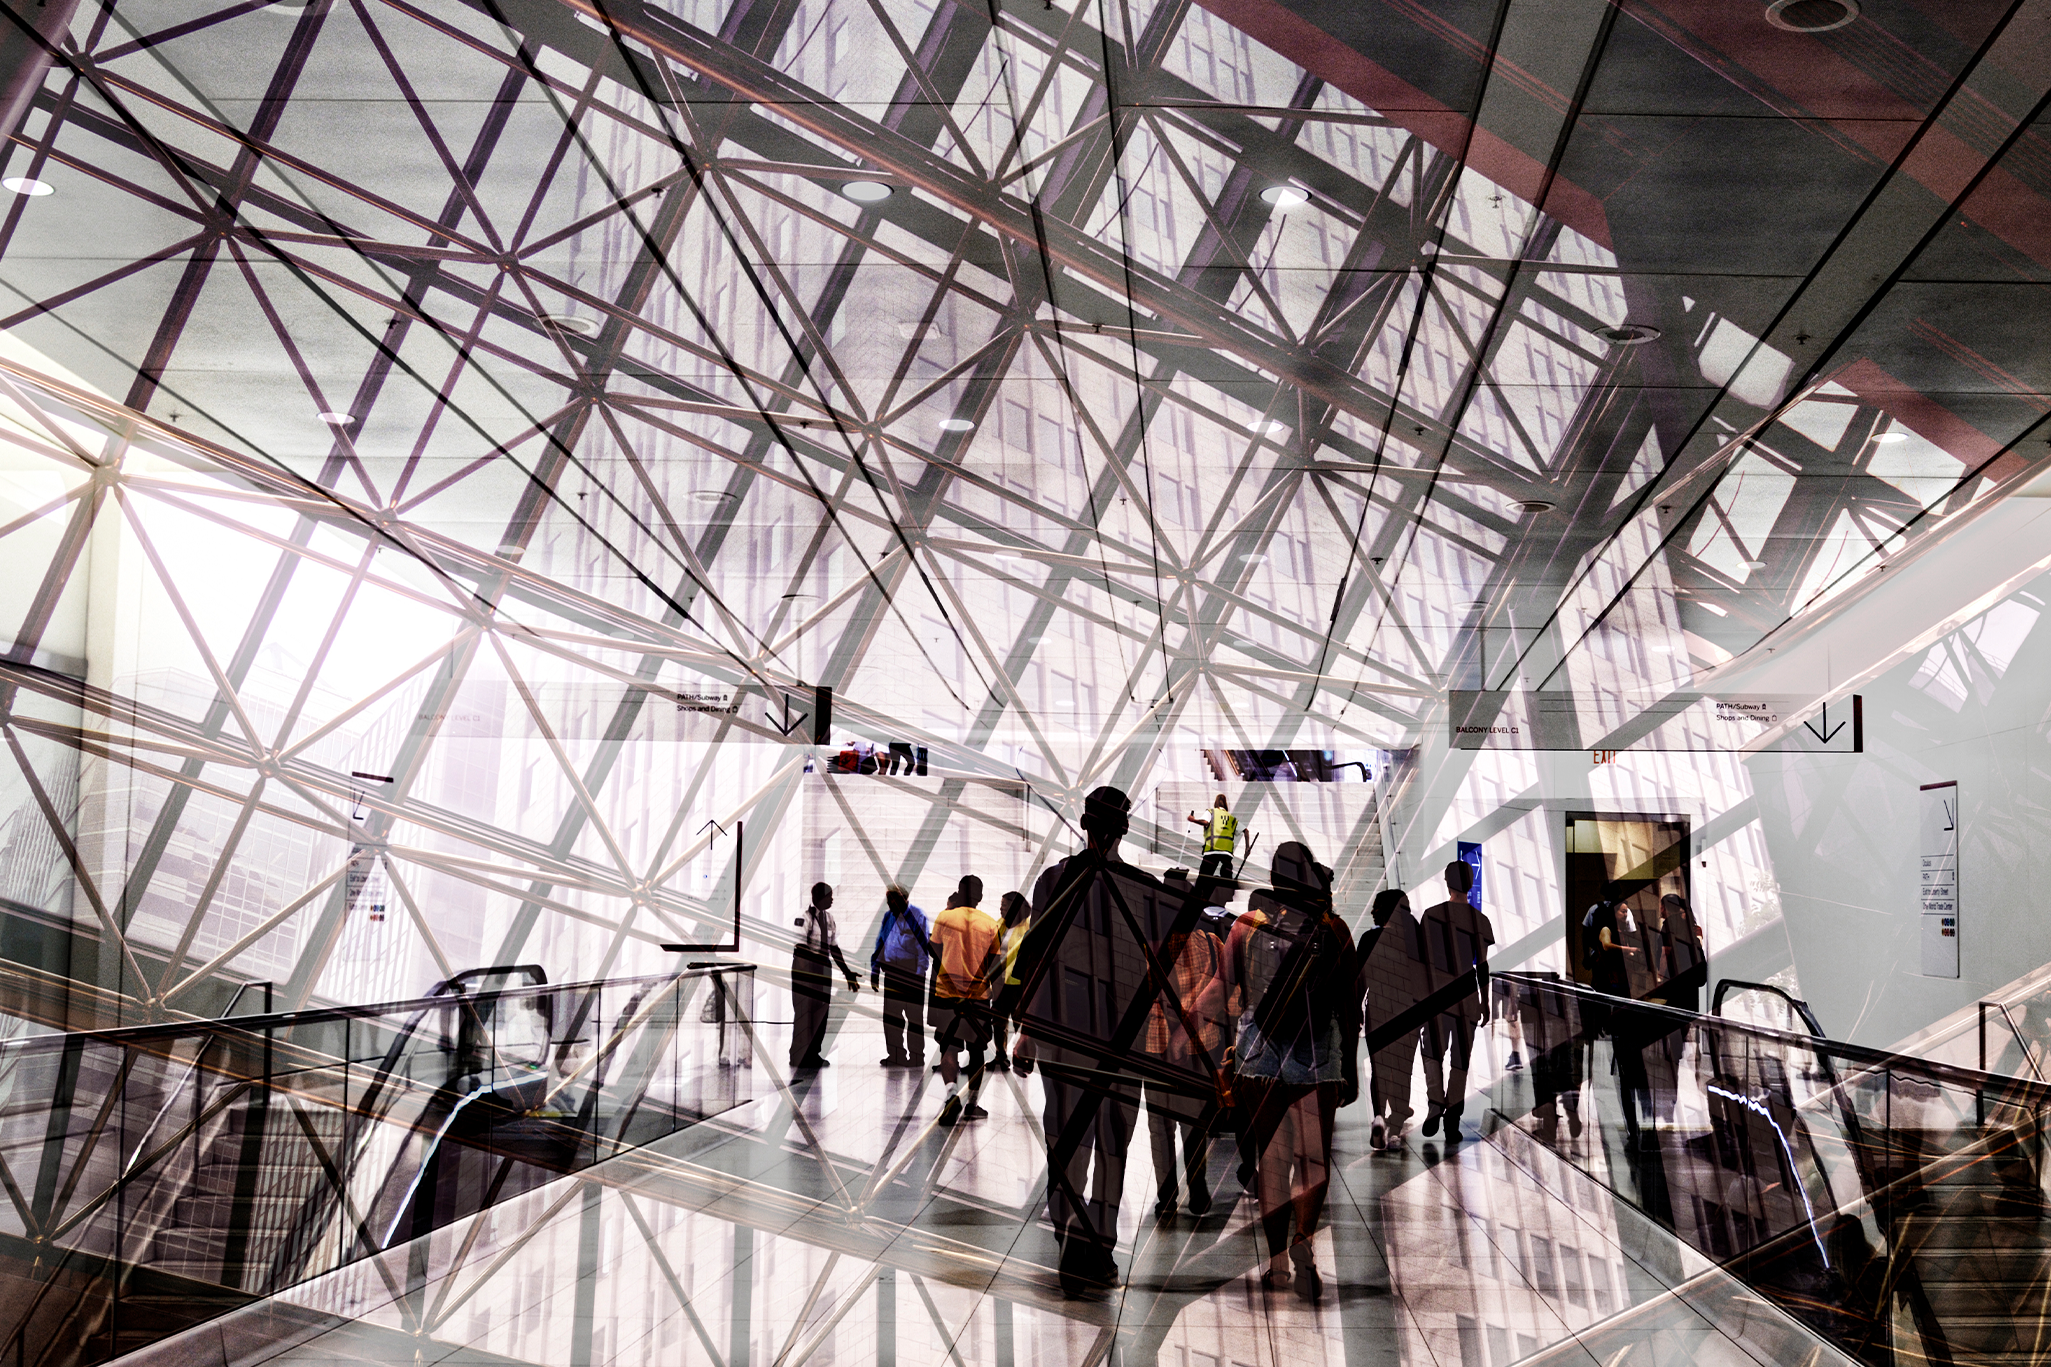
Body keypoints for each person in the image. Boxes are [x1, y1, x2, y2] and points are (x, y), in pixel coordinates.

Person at [999, 785, 1174, 1298]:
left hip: (1065, 1027)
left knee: (1067, 1133)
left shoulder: (1055, 879)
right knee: (1114, 1137)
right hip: (1123, 1032)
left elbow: (1036, 953)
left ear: (1083, 821)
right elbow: (1159, 965)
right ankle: (1099, 1242)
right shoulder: (1142, 888)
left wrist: (1027, 1029)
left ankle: (1071, 1237)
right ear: (1124, 828)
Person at [1225, 841, 1358, 1298]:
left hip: (1259, 1054)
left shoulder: (1248, 925)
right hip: (1318, 1054)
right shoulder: (1334, 928)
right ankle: (1306, 1242)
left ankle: (1278, 1264)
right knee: (1312, 1160)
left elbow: (1231, 991)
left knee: (1273, 1160)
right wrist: (1351, 1067)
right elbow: (1348, 1000)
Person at [1142, 906, 1229, 1220]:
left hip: (1154, 1047)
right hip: (1198, 1049)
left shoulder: (1147, 946)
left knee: (1159, 1127)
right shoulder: (1211, 943)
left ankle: (1166, 1196)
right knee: (1193, 1125)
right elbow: (1229, 999)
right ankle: (1199, 1189)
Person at [1416, 860, 1494, 1143]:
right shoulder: (1479, 920)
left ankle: (1435, 1103)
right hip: (1466, 995)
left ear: (1446, 882)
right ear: (1470, 883)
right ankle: (1452, 1118)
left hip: (1436, 995)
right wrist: (1485, 1001)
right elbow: (1482, 965)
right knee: (1461, 1059)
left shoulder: (1431, 915)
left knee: (1432, 1053)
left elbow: (1422, 961)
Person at [1356, 887, 1427, 1151]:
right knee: (1402, 1070)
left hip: (1378, 1009)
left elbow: (1358, 979)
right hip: (1408, 1011)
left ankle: (1377, 1117)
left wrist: (1356, 1012)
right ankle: (1395, 1130)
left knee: (1379, 1068)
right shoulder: (1415, 941)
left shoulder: (1368, 939)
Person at [931, 875, 1003, 1126]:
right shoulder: (991, 925)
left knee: (948, 1048)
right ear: (980, 896)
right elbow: (995, 966)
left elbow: (936, 954)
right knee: (976, 1052)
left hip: (947, 994)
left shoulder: (944, 918)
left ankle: (951, 1092)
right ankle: (972, 1104)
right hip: (978, 996)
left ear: (960, 893)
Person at [791, 882, 858, 1070]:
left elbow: (834, 948)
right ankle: (798, 1055)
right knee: (804, 1011)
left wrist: (847, 972)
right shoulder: (803, 917)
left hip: (823, 969)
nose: (832, 899)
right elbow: (800, 947)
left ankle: (814, 1054)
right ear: (819, 898)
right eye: (829, 896)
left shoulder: (829, 919)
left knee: (821, 1012)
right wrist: (808, 977)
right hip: (805, 970)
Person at [870, 885, 934, 1068]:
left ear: (905, 899)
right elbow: (880, 943)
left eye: (894, 899)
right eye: (888, 899)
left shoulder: (917, 915)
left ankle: (916, 1056)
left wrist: (919, 975)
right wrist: (875, 970)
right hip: (892, 971)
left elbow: (923, 947)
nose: (890, 903)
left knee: (914, 1016)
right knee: (891, 1016)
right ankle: (895, 1054)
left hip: (911, 971)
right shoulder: (888, 917)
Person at [990, 890, 1030, 1072]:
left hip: (1019, 984)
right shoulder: (999, 925)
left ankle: (1023, 1058)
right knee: (998, 1022)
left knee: (1020, 1023)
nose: (1001, 910)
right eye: (1001, 906)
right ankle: (1000, 1057)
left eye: (1005, 907)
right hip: (1000, 983)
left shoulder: (1028, 927)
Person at [1186, 793, 1238, 880]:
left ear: (1216, 803)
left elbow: (1205, 822)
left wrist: (1193, 820)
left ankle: (1200, 892)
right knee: (1227, 880)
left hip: (1212, 850)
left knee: (1203, 878)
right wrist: (1247, 849)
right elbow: (1246, 831)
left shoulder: (1211, 812)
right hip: (1227, 853)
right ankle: (1226, 890)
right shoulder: (1231, 817)